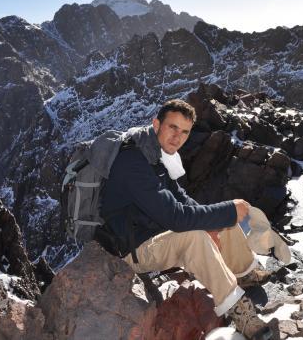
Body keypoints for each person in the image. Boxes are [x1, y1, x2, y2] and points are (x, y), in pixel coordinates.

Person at [99, 99, 277, 339]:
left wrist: (219, 219)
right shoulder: (133, 162)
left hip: (157, 235)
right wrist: (227, 211)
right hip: (134, 250)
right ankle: (239, 311)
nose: (178, 137)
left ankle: (244, 273)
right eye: (172, 127)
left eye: (184, 131)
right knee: (195, 235)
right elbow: (176, 218)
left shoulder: (155, 156)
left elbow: (182, 200)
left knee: (221, 220)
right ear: (156, 124)